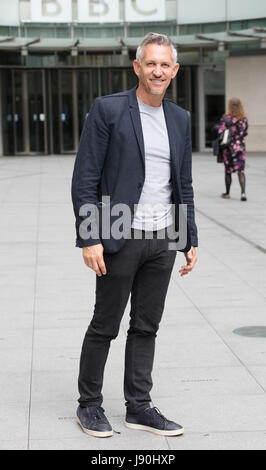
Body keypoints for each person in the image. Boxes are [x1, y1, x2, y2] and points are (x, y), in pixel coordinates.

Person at [71, 32, 198, 439]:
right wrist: (90, 238)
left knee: (147, 326)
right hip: (118, 232)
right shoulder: (108, 110)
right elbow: (85, 178)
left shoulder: (179, 118)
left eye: (165, 65)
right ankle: (89, 405)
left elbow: (184, 183)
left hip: (163, 237)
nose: (158, 71)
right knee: (105, 324)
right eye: (151, 63)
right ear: (137, 67)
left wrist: (189, 238)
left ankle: (139, 407)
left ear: (174, 71)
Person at [218, 98, 248, 201]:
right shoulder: (244, 119)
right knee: (241, 171)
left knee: (228, 171)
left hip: (228, 147)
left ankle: (227, 193)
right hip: (240, 147)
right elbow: (245, 133)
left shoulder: (226, 118)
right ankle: (243, 193)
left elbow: (220, 131)